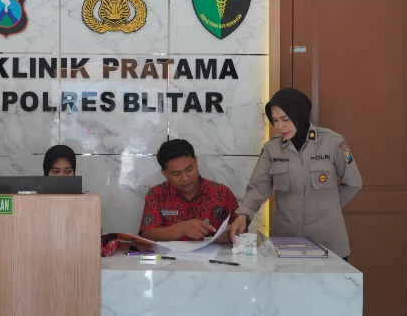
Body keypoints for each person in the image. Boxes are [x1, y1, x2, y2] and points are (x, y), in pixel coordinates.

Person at [228, 87, 363, 260]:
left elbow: (353, 183)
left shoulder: (332, 141)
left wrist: (328, 206)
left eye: (285, 119)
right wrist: (244, 215)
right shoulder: (271, 149)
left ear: (300, 113)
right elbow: (257, 187)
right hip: (285, 241)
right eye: (275, 120)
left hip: (328, 241)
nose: (279, 126)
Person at [138, 139, 238, 242]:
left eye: (189, 169)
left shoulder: (221, 193)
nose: (185, 178)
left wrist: (231, 235)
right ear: (164, 173)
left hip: (215, 252)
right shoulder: (157, 194)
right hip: (171, 253)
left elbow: (240, 228)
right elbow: (147, 234)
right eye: (176, 174)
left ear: (196, 161)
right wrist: (182, 229)